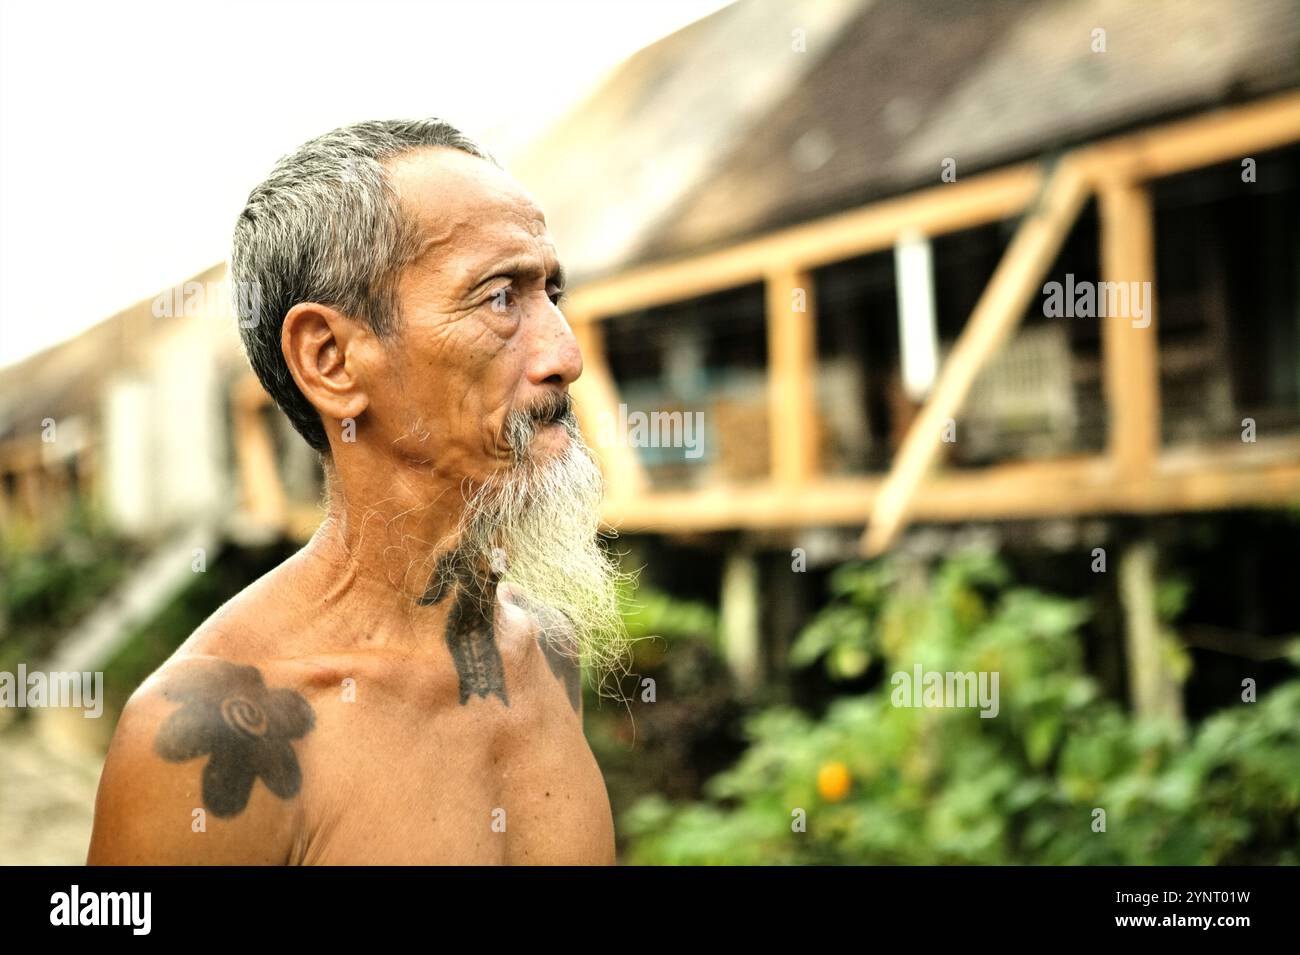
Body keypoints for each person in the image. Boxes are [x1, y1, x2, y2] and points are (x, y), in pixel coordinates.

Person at [87, 119, 632, 865]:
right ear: (332, 360)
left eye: (552, 293)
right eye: (501, 298)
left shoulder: (547, 654)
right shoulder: (212, 732)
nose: (565, 354)